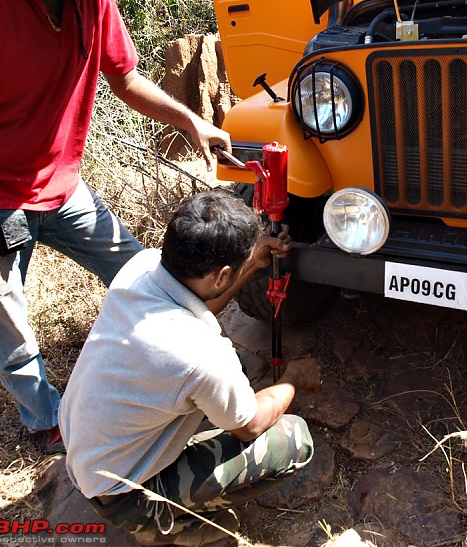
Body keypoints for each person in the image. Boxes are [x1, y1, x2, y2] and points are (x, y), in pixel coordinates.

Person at [0, 0, 230, 452]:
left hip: (56, 180)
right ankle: (51, 422)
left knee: (141, 271)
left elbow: (125, 78)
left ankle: (180, 363)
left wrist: (191, 120)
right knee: (9, 324)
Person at [59, 190, 321, 547]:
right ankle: (167, 524)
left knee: (207, 399)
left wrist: (254, 263)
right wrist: (293, 379)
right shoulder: (198, 354)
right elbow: (251, 424)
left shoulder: (141, 268)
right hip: (123, 493)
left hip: (84, 452)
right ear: (221, 274)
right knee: (293, 438)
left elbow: (201, 300)